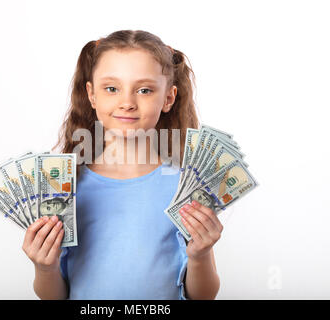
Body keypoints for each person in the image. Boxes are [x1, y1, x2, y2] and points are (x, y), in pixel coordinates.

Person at [21, 29, 223, 300]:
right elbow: (54, 296)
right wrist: (44, 267)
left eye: (144, 90)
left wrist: (201, 254)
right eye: (112, 88)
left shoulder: (185, 187)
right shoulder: (63, 188)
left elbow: (203, 296)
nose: (127, 102)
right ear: (92, 95)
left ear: (168, 98)